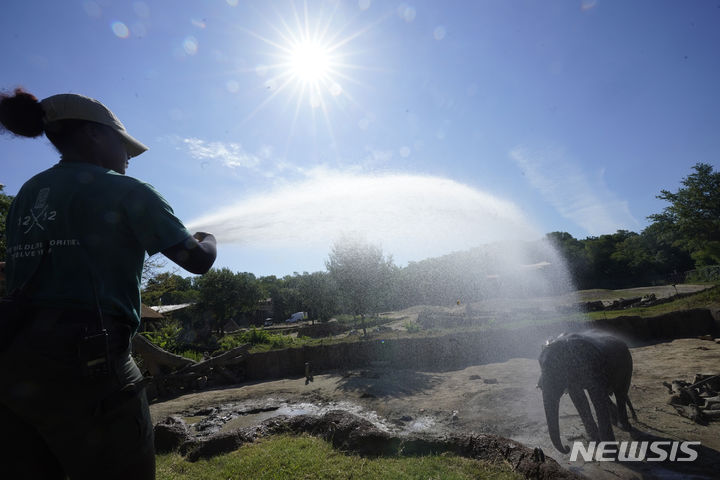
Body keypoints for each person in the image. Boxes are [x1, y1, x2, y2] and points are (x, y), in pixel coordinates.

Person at [0, 88, 217, 479]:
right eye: (125, 146)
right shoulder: (127, 191)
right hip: (91, 371)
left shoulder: (27, 195)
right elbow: (196, 261)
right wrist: (208, 238)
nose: (128, 159)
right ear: (95, 134)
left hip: (15, 369)